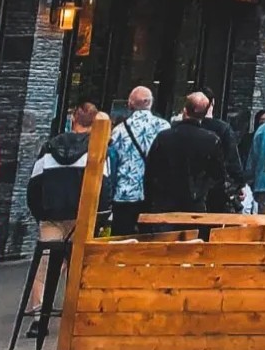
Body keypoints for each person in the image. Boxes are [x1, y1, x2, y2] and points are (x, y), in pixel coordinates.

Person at [20, 103, 97, 337]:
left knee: (44, 266)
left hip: (51, 216)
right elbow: (104, 189)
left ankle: (39, 319)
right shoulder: (96, 150)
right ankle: (75, 318)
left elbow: (34, 185)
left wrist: (41, 213)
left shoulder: (50, 148)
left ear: (74, 118)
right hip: (80, 217)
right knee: (79, 267)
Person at [144, 95, 234, 230]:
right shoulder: (211, 140)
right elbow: (218, 176)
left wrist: (150, 201)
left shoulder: (164, 137)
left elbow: (150, 173)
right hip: (195, 206)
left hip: (165, 205)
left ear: (185, 111)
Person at [106, 87, 165, 234]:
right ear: (150, 103)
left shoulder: (119, 130)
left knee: (120, 239)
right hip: (154, 193)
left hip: (125, 193)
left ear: (130, 104)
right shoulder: (164, 127)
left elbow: (112, 162)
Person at [184, 91, 247, 210]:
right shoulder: (222, 129)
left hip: (184, 187)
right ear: (212, 102)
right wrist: (240, 183)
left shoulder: (175, 131)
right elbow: (232, 160)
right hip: (214, 190)